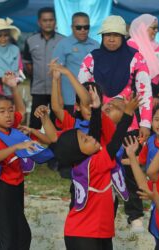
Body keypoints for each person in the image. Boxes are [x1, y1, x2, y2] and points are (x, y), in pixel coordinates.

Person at [78, 15, 153, 231]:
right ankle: (103, 214)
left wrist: (145, 123)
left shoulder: (136, 58)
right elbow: (83, 87)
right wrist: (91, 110)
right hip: (99, 123)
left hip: (128, 123)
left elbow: (145, 92)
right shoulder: (91, 58)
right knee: (101, 168)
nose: (111, 39)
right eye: (107, 35)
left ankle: (135, 215)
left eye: (116, 35)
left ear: (123, 37)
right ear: (102, 37)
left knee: (129, 169)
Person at [53, 90, 139, 250]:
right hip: (84, 234)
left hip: (98, 232)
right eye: (85, 139)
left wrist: (97, 108)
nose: (91, 137)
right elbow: (114, 143)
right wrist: (127, 115)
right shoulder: (94, 163)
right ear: (78, 151)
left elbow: (95, 132)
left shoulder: (87, 158)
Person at [0, 84, 51, 249]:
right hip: (2, 190)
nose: (8, 115)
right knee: (12, 238)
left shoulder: (11, 127)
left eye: (10, 110)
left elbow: (21, 109)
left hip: (16, 185)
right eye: (2, 111)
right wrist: (16, 147)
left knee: (5, 229)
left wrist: (14, 88)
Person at [23, 7, 64, 129]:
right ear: (39, 22)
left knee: (57, 123)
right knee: (35, 123)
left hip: (58, 90)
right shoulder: (30, 40)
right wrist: (36, 75)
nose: (48, 23)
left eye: (51, 20)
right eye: (45, 20)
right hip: (38, 89)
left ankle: (56, 148)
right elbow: (28, 63)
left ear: (55, 22)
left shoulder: (63, 41)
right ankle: (33, 147)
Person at [52, 12, 99, 114]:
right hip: (69, 99)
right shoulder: (63, 45)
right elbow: (56, 72)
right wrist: (59, 97)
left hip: (91, 99)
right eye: (79, 27)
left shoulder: (96, 45)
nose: (82, 30)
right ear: (72, 27)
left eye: (86, 27)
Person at [128, 14, 159, 106]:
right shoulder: (131, 45)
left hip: (157, 96)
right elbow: (133, 73)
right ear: (144, 27)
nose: (156, 31)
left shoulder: (157, 47)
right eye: (153, 28)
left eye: (157, 28)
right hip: (138, 95)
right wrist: (156, 90)